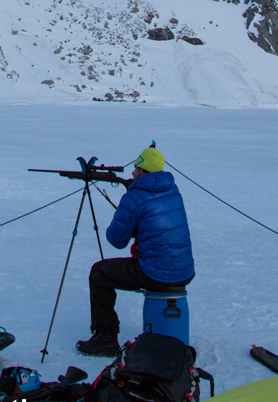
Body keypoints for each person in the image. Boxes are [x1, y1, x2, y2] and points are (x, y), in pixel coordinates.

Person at [76, 146, 195, 357]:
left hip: (155, 272)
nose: (132, 173)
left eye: (136, 168)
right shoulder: (173, 191)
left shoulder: (136, 196)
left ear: (144, 172)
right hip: (183, 270)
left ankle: (105, 338)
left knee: (100, 273)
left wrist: (129, 204)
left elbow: (116, 239)